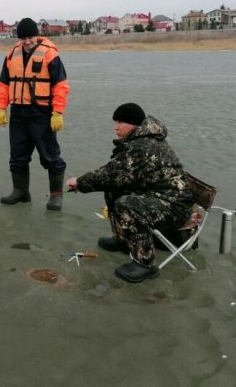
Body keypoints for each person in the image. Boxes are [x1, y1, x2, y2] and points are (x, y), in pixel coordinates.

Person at [65, 103, 194, 283]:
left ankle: (145, 264)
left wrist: (79, 182)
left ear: (134, 124)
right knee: (114, 190)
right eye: (115, 122)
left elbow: (113, 173)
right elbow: (116, 175)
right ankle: (123, 240)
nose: (116, 127)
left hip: (175, 207)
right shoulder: (139, 140)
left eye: (120, 122)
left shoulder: (143, 146)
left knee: (127, 205)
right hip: (159, 196)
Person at [0, 18, 69, 211]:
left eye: (29, 37)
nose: (27, 41)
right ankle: (21, 192)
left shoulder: (50, 54)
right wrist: (2, 108)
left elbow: (60, 86)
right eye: (23, 38)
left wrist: (57, 112)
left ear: (36, 35)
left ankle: (56, 197)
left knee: (51, 157)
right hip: (18, 114)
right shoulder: (12, 55)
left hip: (42, 113)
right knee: (17, 156)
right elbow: (4, 84)